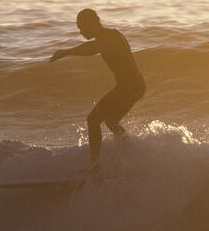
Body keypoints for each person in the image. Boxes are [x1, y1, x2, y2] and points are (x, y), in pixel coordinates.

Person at [50, 9, 145, 168]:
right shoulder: (109, 35)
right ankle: (132, 151)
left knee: (93, 120)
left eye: (81, 27)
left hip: (128, 87)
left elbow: (92, 48)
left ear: (91, 23)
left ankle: (95, 164)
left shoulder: (108, 37)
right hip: (136, 85)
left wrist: (66, 52)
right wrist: (67, 52)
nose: (80, 31)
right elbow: (94, 46)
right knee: (111, 122)